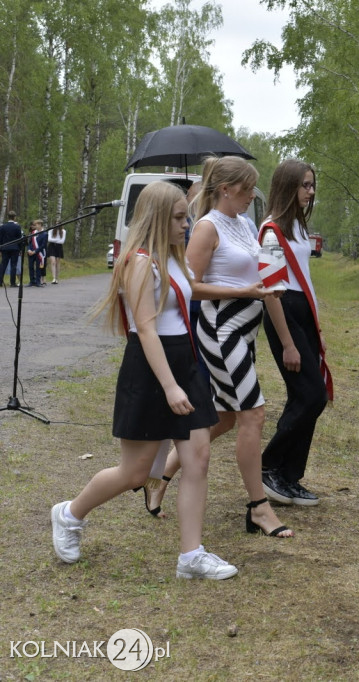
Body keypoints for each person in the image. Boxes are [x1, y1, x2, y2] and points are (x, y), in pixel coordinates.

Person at [49, 181, 237, 579]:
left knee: (197, 458)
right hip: (152, 368)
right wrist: (170, 386)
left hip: (184, 361)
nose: (187, 225)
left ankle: (191, 556)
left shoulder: (175, 258)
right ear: (155, 218)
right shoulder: (139, 262)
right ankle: (69, 514)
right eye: (180, 217)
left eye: (188, 216)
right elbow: (147, 330)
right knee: (135, 473)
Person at [149, 156, 293, 538]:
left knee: (225, 418)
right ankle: (259, 508)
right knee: (254, 414)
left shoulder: (245, 223)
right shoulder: (207, 228)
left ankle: (161, 475)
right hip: (220, 329)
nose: (251, 196)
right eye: (247, 189)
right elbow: (188, 285)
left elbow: (261, 273)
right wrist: (243, 291)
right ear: (226, 189)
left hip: (246, 330)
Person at [258, 159, 332, 506]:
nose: (311, 191)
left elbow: (306, 280)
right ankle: (270, 466)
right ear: (288, 186)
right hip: (283, 313)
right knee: (311, 395)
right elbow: (271, 289)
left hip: (301, 314)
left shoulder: (298, 228)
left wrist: (314, 329)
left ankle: (288, 476)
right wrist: (288, 343)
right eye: (305, 185)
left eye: (312, 185)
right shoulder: (271, 231)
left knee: (306, 397)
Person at [1, 210, 22, 287]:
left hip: (5, 248)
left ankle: (0, 281)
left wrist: (1, 248)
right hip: (14, 248)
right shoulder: (17, 227)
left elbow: (0, 238)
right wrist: (20, 249)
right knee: (13, 265)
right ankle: (12, 283)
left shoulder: (3, 227)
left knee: (3, 265)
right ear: (14, 217)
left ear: (8, 217)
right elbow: (19, 239)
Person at [26, 220, 47, 287]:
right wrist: (29, 249)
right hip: (31, 252)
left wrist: (35, 251)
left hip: (38, 252)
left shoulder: (45, 234)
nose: (35, 226)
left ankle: (38, 282)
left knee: (38, 267)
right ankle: (32, 281)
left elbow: (43, 245)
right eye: (34, 225)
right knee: (31, 267)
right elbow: (29, 243)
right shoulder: (33, 233)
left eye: (36, 225)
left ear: (40, 225)